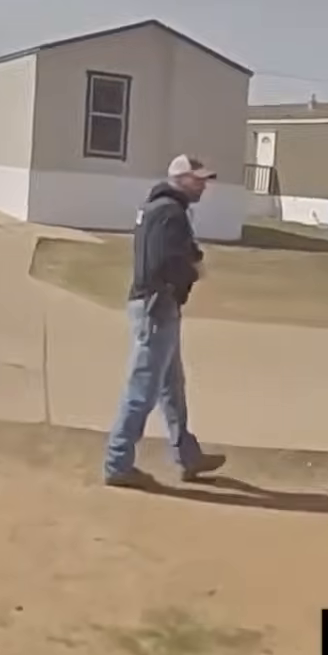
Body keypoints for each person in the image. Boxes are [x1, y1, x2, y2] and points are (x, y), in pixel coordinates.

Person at [103, 154, 227, 487]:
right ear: (180, 179)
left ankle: (188, 456)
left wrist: (191, 260)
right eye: (197, 180)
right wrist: (190, 273)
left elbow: (176, 249)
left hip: (155, 306)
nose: (203, 186)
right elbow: (165, 261)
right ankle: (117, 463)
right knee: (142, 389)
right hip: (157, 307)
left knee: (172, 387)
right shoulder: (170, 211)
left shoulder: (159, 208)